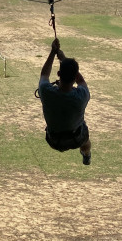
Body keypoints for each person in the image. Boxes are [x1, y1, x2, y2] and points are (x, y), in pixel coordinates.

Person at [37, 37, 91, 165]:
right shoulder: (82, 95)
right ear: (74, 77)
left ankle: (86, 153)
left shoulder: (46, 91)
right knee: (86, 141)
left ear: (59, 74)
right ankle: (86, 154)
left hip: (54, 139)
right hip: (77, 137)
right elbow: (81, 81)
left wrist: (53, 52)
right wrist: (63, 58)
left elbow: (44, 74)